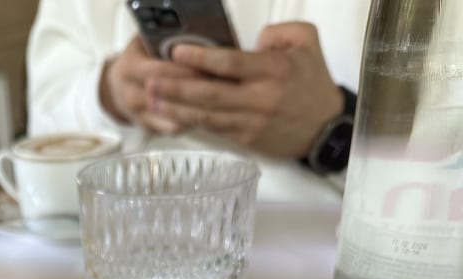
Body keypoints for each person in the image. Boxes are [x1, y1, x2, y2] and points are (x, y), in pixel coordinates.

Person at [26, 0, 370, 203]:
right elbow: (39, 137)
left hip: (328, 272)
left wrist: (333, 129)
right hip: (118, 251)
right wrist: (109, 95)